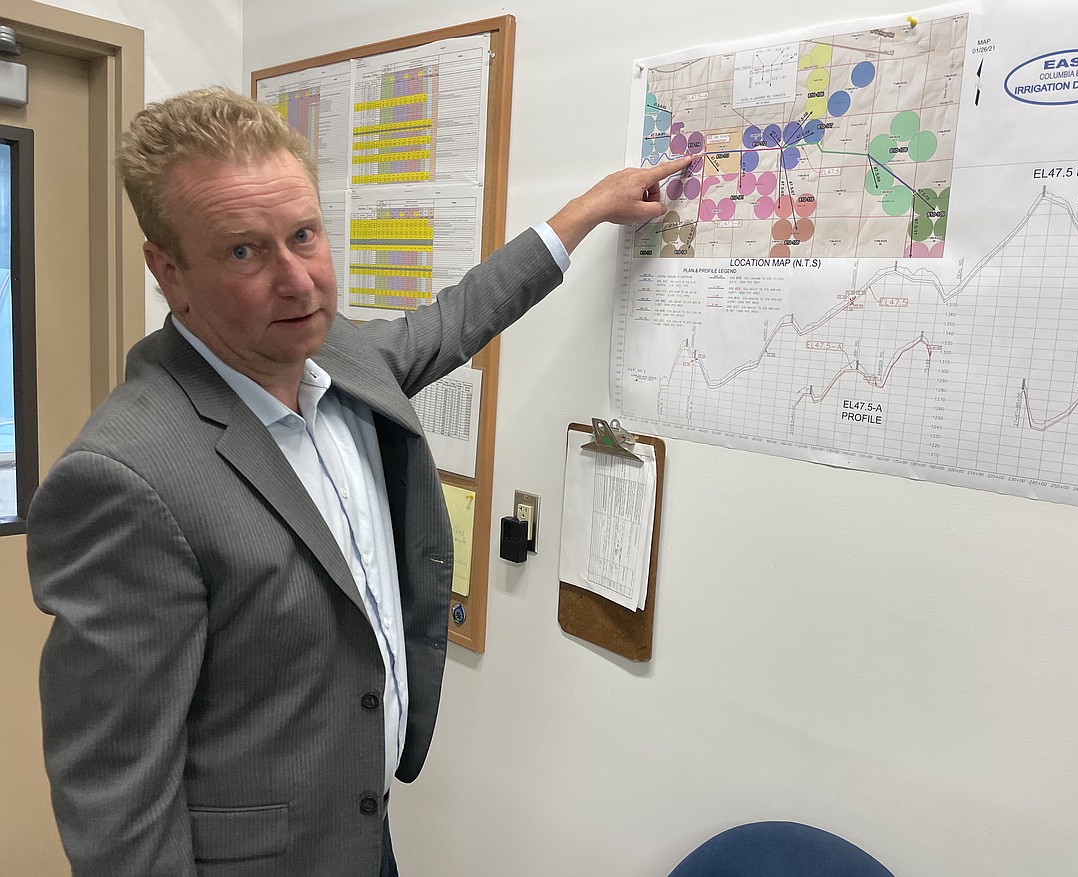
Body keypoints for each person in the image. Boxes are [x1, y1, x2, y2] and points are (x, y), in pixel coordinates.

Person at [26, 86, 689, 877]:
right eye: (244, 251)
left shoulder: (338, 358)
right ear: (168, 271)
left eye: (304, 235)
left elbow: (458, 317)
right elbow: (116, 803)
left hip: (362, 836)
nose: (299, 283)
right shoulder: (125, 478)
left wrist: (585, 212)